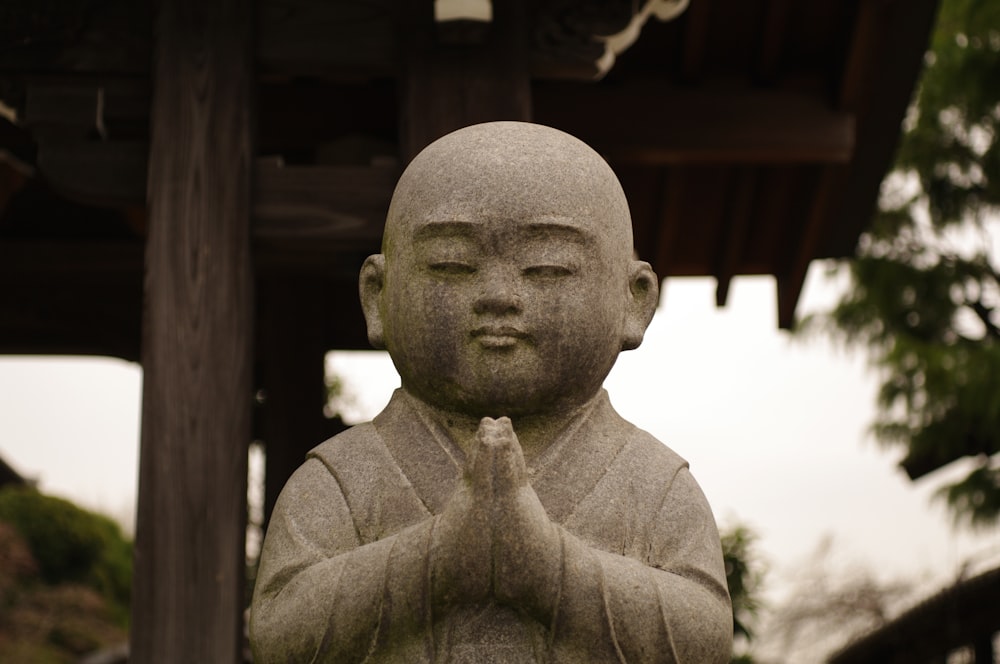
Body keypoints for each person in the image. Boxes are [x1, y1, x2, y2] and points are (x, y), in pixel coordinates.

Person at [250, 121, 732, 663]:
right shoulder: (342, 478)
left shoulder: (653, 483)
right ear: (377, 297)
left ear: (634, 301)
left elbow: (703, 640)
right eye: (451, 265)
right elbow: (278, 633)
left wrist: (548, 566)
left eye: (547, 267)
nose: (499, 295)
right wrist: (441, 556)